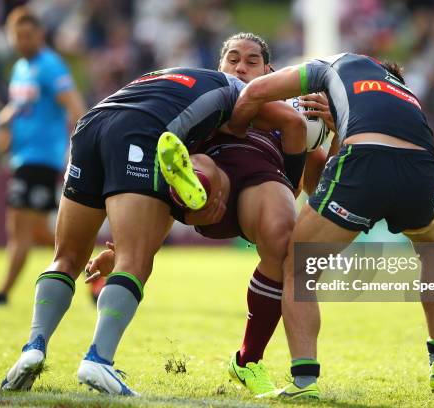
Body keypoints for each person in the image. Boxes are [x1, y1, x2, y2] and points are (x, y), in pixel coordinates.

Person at [0, 64, 306, 396]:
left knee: (67, 257)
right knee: (137, 260)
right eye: (235, 58)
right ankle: (98, 359)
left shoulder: (173, 75)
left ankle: (33, 347)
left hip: (92, 124)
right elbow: (289, 121)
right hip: (143, 132)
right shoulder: (241, 91)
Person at [86, 32, 335, 396]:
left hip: (263, 181)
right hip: (211, 183)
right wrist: (123, 248)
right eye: (232, 59)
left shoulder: (296, 112)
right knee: (197, 168)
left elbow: (319, 182)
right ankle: (195, 189)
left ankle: (247, 361)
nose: (240, 66)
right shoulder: (205, 100)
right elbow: (153, 199)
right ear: (219, 67)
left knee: (283, 246)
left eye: (252, 61)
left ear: (270, 70)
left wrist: (336, 127)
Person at [229, 53, 434, 399]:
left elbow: (255, 92)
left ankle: (304, 381)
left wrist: (231, 128)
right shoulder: (406, 94)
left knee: (299, 266)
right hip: (422, 165)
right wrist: (339, 124)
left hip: (365, 160)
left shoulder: (334, 65)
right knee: (433, 247)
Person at [0, 7, 85, 306]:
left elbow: (76, 108)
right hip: (22, 157)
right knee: (35, 230)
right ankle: (91, 263)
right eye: (17, 36)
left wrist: (79, 150)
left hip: (41, 157)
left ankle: (2, 294)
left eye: (28, 35)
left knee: (20, 228)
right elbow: (19, 106)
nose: (22, 42)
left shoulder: (51, 66)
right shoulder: (20, 68)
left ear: (40, 35)